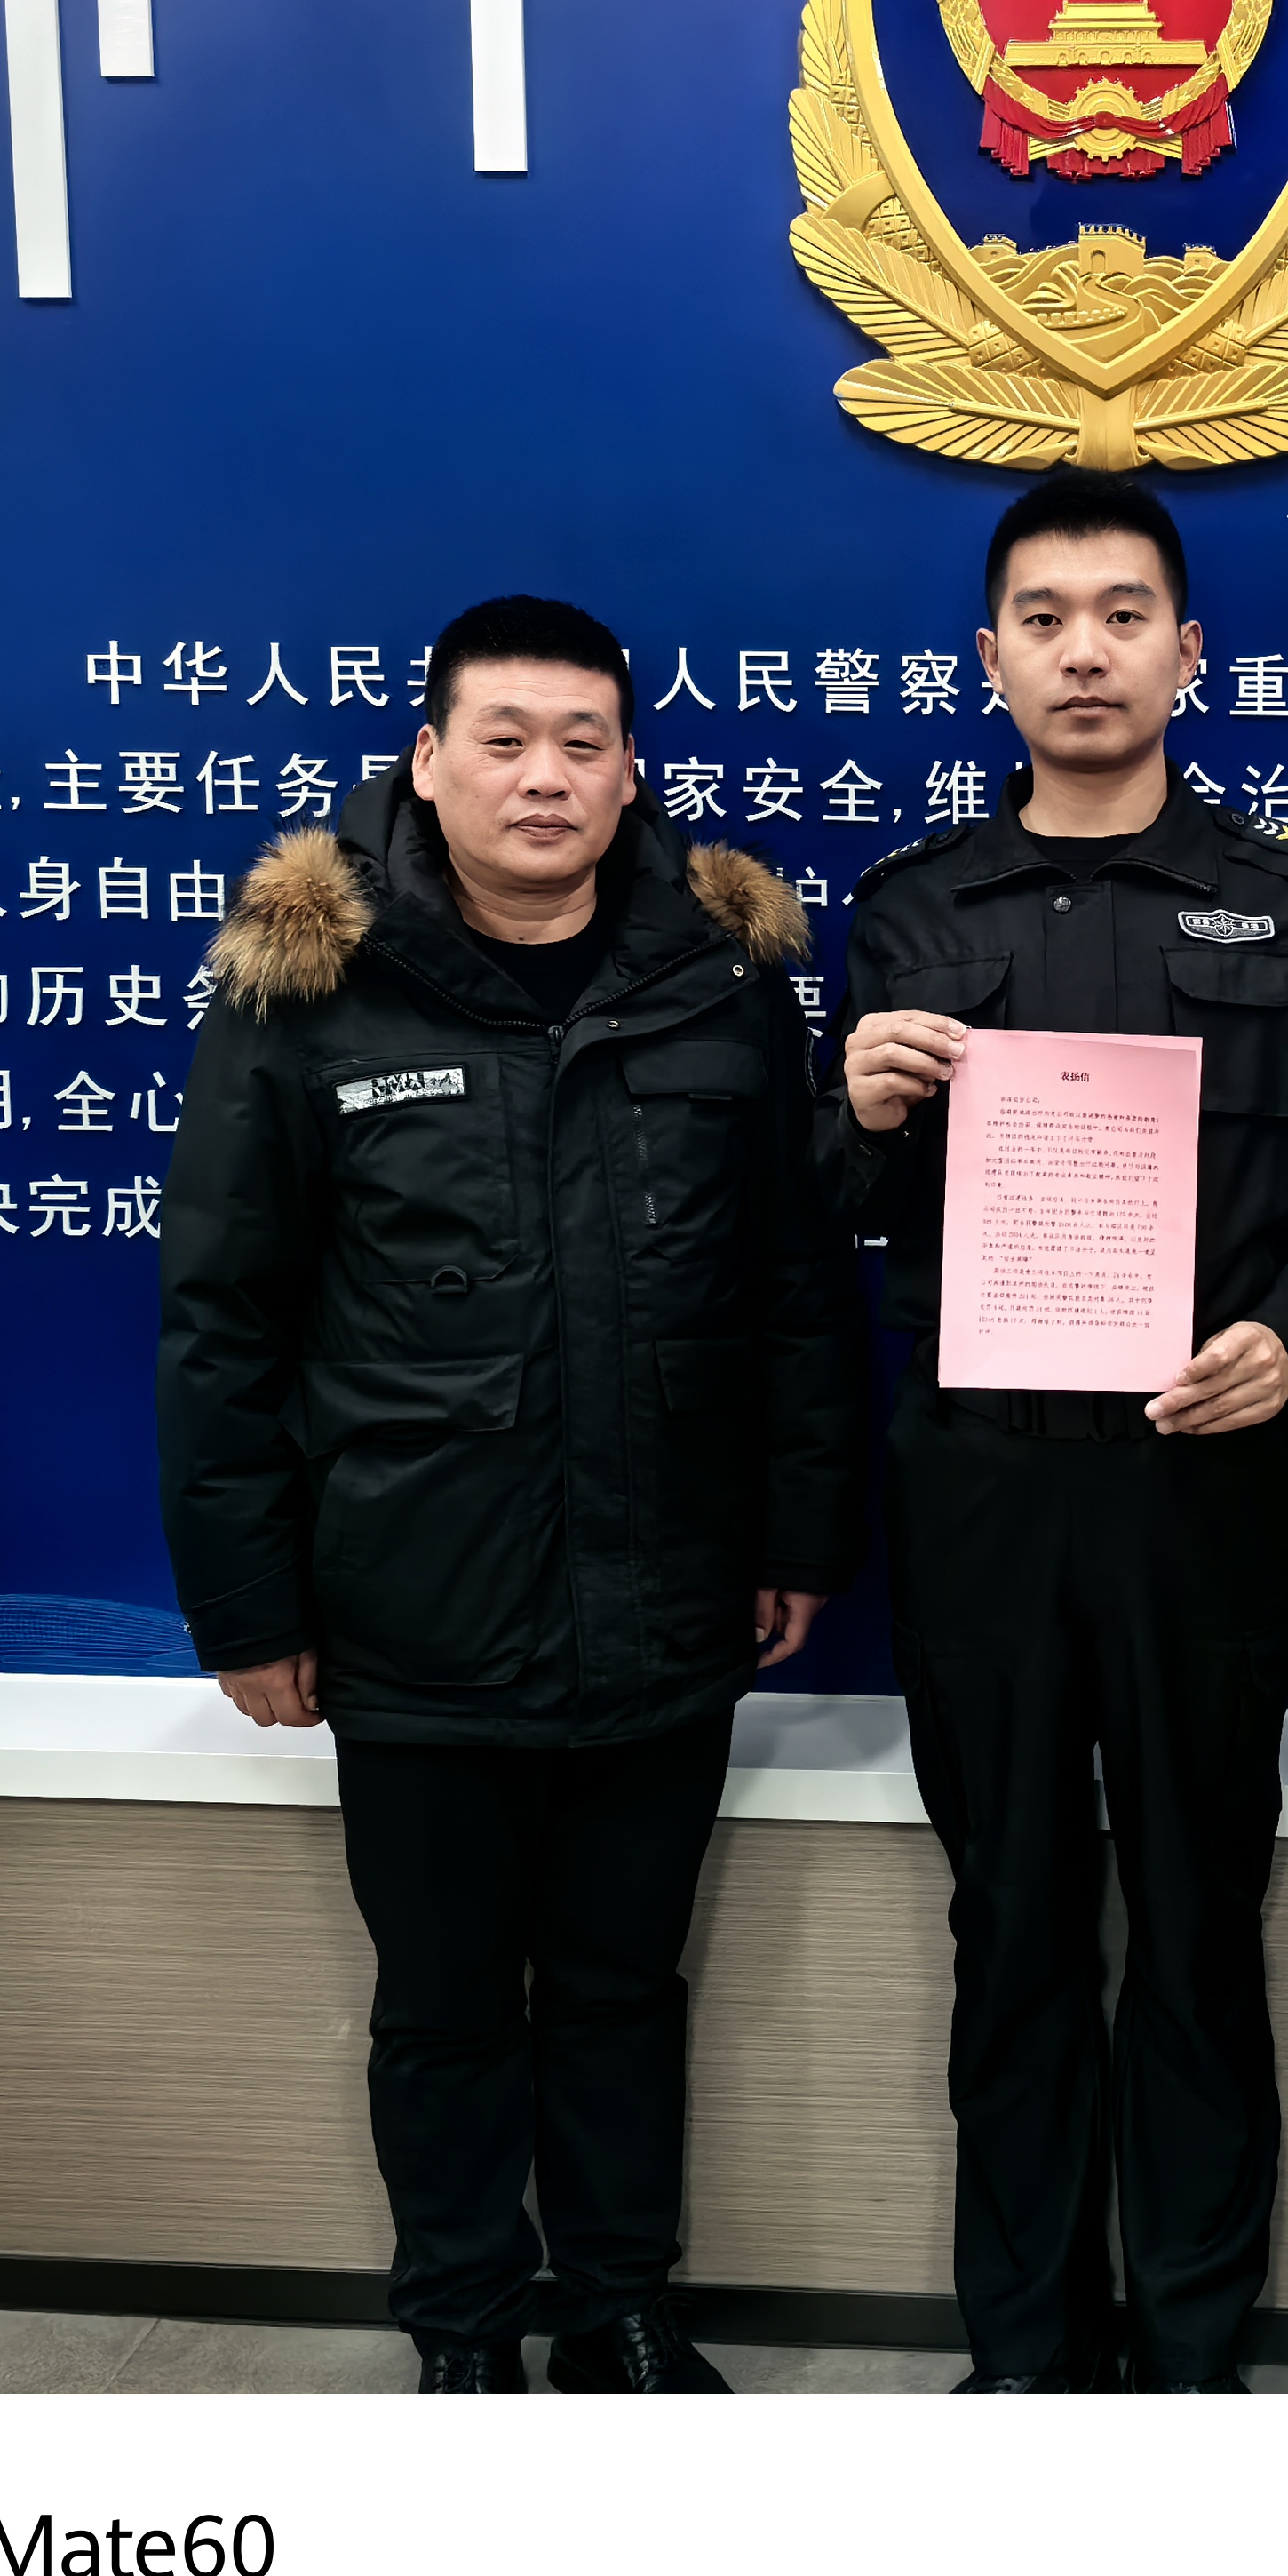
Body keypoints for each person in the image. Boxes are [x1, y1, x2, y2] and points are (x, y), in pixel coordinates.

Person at [156, 594, 863, 2396]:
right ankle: (464, 2330)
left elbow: (791, 1289)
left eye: (581, 743)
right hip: (413, 1605)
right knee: (447, 2005)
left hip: (665, 1591)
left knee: (624, 1986)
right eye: (505, 739)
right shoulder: (309, 988)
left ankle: (619, 2306)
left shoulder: (720, 981)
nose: (544, 776)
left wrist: (795, 1533)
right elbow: (224, 1316)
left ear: (629, 774)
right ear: (428, 760)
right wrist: (248, 1603)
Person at [822, 469, 1288, 2392]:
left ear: (1187, 651)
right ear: (988, 658)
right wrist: (858, 1108)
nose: (1085, 651)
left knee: (1194, 1921)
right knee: (1007, 1921)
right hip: (981, 1492)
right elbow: (825, 1202)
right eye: (1045, 617)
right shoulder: (908, 910)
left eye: (1123, 614)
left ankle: (1188, 2353)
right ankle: (1024, 2357)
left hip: (1201, 1488)